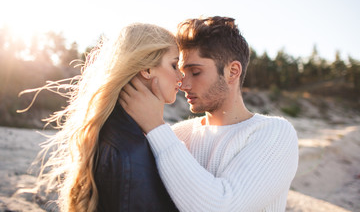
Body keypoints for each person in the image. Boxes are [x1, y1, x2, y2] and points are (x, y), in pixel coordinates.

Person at [119, 16, 299, 212]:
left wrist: (155, 126)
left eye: (195, 72)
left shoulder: (273, 133)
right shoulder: (175, 135)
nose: (183, 84)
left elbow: (221, 207)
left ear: (233, 71)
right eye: (179, 71)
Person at [23, 23, 181, 211]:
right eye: (174, 65)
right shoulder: (130, 150)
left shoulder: (118, 129)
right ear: (147, 69)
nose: (181, 76)